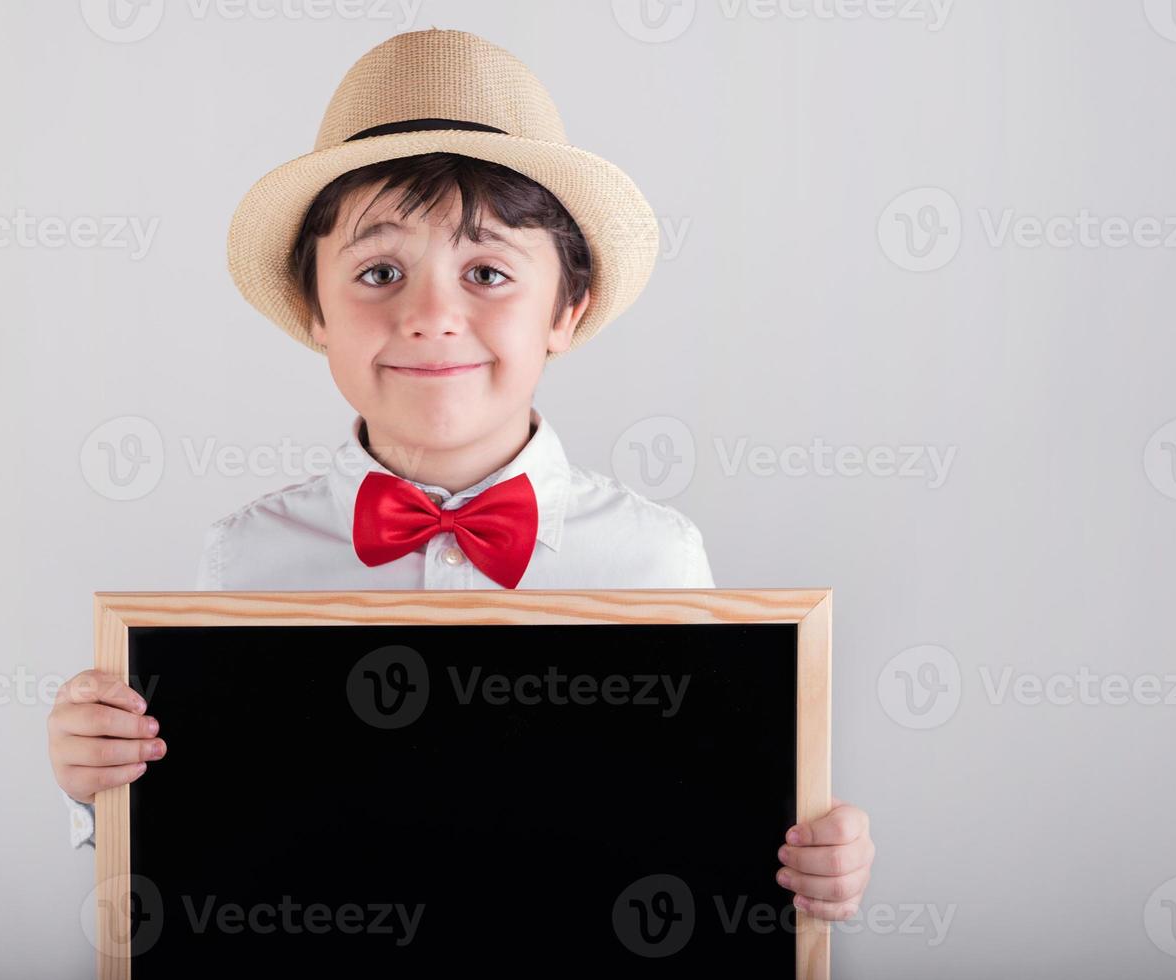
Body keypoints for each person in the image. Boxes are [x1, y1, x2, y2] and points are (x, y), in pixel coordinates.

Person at [46, 27, 873, 922]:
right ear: (312, 308)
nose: (432, 315)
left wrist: (816, 862)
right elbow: (209, 834)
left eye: (486, 271)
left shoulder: (656, 561)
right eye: (379, 271)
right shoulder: (244, 559)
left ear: (568, 310)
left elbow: (715, 821)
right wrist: (97, 782)